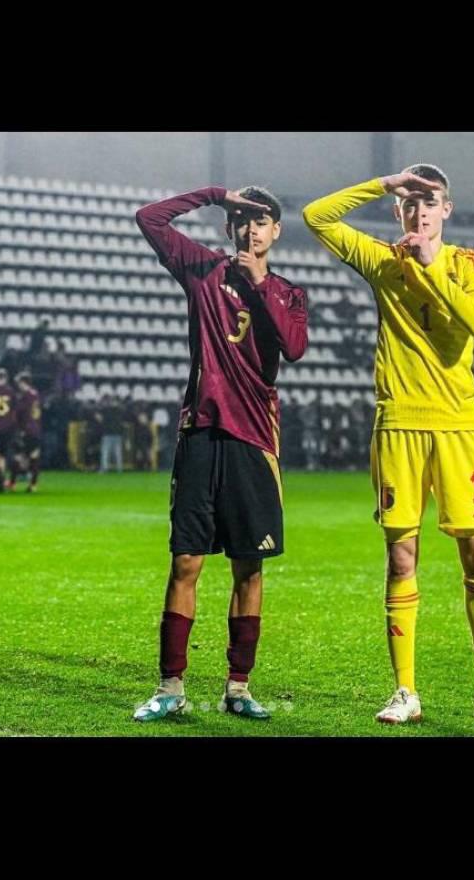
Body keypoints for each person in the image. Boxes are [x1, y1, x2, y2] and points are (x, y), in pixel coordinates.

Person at [303, 164, 474, 727]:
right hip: (398, 424)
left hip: (459, 427)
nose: (420, 211)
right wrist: (383, 183)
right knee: (401, 557)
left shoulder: (469, 263)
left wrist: (430, 267)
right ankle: (405, 691)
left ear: (447, 210)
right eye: (411, 202)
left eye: (431, 201)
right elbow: (315, 217)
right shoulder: (383, 261)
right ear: (400, 210)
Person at [132, 183, 309, 722]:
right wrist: (213, 194)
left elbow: (294, 348)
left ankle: (238, 687)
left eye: (261, 220)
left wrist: (259, 282)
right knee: (185, 561)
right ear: (229, 227)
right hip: (202, 434)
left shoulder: (288, 293)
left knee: (248, 567)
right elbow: (149, 218)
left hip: (254, 440)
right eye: (242, 219)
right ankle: (170, 685)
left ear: (276, 231)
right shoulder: (203, 270)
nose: (251, 229)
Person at [8, 370, 42, 493]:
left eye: (19, 383)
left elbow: (20, 413)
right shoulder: (35, 394)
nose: (18, 385)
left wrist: (19, 428)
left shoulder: (25, 397)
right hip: (36, 429)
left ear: (24, 382)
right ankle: (33, 485)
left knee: (18, 457)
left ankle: (12, 483)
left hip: (26, 430)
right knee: (34, 456)